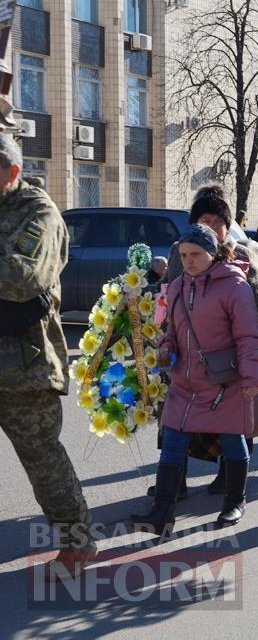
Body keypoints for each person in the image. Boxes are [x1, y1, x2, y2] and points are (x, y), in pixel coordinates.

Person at [0, 133, 95, 577]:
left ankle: (77, 544)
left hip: (24, 366)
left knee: (43, 461)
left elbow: (23, 278)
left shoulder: (38, 211)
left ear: (11, 172)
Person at [132, 225, 258, 534]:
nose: (189, 261)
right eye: (183, 255)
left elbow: (249, 336)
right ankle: (162, 512)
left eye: (195, 254)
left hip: (224, 381)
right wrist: (166, 347)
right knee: (173, 442)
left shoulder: (235, 286)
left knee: (233, 440)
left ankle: (235, 502)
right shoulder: (178, 286)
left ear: (212, 253)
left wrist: (252, 376)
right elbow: (172, 331)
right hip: (185, 383)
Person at [162, 184, 258, 496]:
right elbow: (170, 301)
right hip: (187, 357)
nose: (211, 227)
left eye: (217, 221)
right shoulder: (179, 251)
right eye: (203, 220)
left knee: (233, 425)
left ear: (227, 224)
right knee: (174, 423)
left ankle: (230, 482)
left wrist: (257, 362)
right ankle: (174, 483)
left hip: (229, 360)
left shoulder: (242, 255)